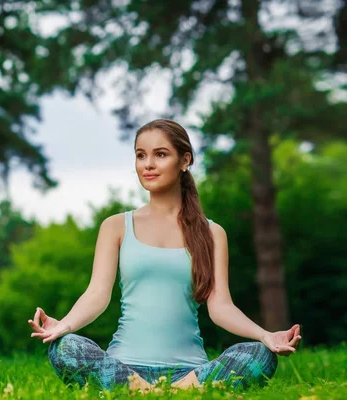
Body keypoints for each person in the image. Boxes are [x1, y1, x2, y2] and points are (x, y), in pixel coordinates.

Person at [27, 119, 302, 393]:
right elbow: (97, 294)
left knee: (261, 354)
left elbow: (221, 307)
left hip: (192, 372)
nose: (148, 164)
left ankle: (163, 391)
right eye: (140, 155)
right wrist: (64, 325)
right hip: (124, 368)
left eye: (160, 154)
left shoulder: (212, 232)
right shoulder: (115, 226)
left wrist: (266, 335)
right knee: (65, 347)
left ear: (185, 160)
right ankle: (154, 391)